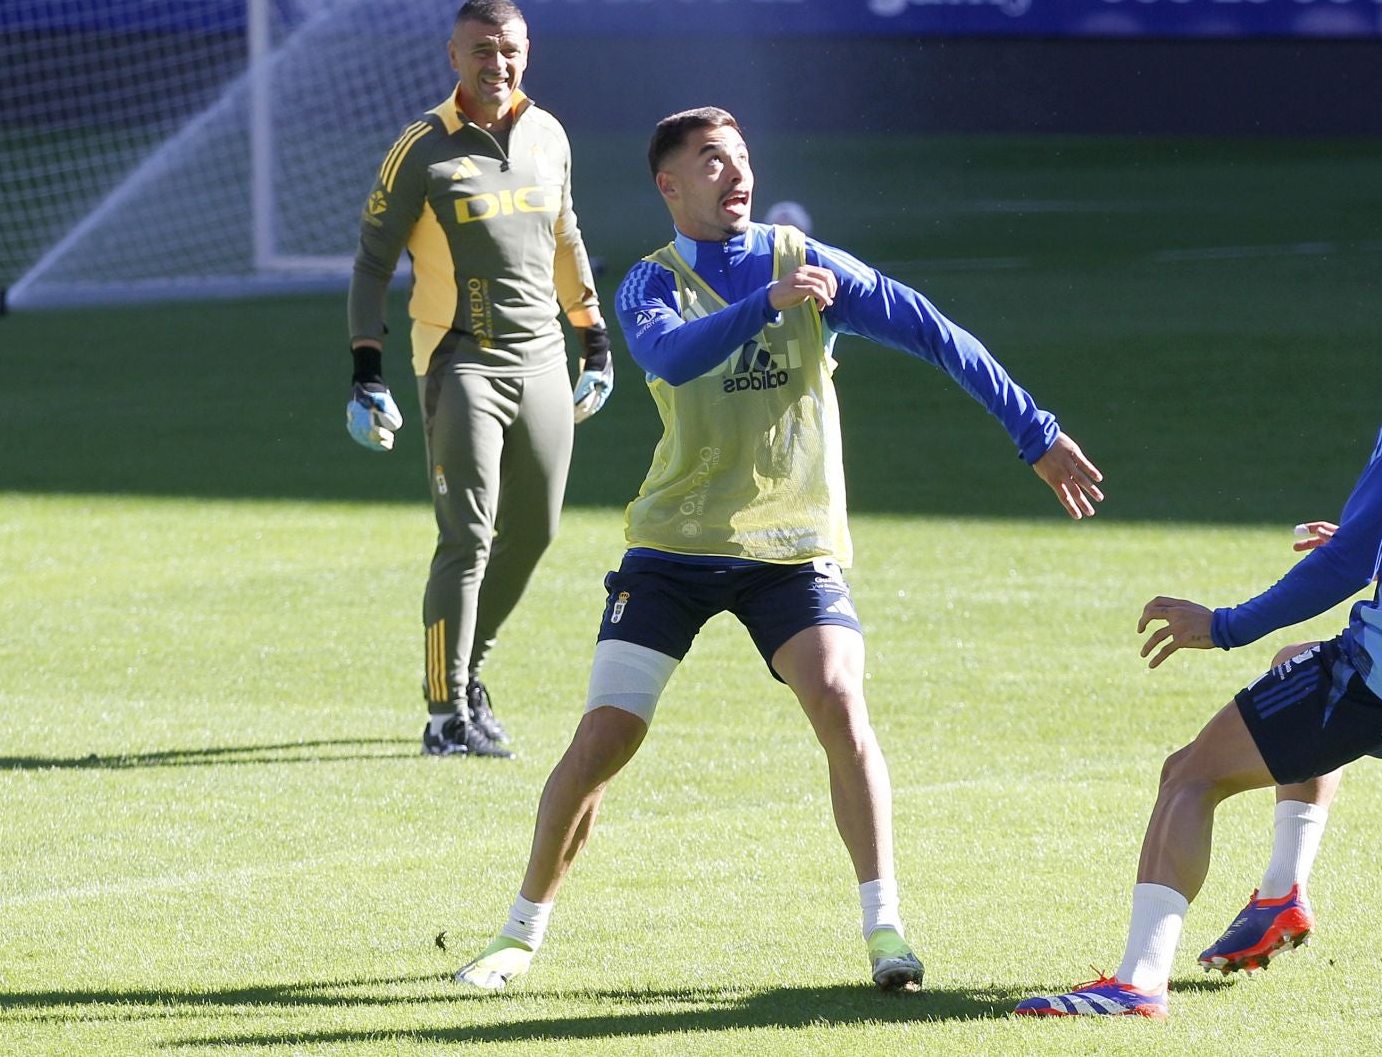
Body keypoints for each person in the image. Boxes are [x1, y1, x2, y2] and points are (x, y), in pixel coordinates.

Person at [453, 106, 1104, 993]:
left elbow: (933, 330)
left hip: (790, 549)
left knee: (841, 700)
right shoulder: (651, 280)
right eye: (712, 160)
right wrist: (767, 305)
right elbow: (669, 356)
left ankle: (887, 931)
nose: (736, 173)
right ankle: (519, 935)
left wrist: (1038, 432)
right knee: (606, 738)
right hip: (674, 547)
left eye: (744, 158)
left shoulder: (809, 265)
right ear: (669, 184)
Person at [1017, 211, 1382, 1019]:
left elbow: (1348, 568)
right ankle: (1280, 895)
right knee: (1304, 669)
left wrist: (1226, 622)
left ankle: (1137, 982)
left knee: (1189, 774)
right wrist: (1378, 539)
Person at [346, 0, 613, 760]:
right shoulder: (422, 147)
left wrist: (593, 338)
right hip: (459, 360)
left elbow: (567, 237)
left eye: (509, 51)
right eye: (481, 51)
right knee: (466, 535)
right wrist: (367, 369)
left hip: (543, 361)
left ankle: (470, 677)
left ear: (525, 53)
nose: (496, 65)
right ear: (453, 57)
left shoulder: (548, 134)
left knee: (535, 532)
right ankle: (443, 713)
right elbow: (371, 262)